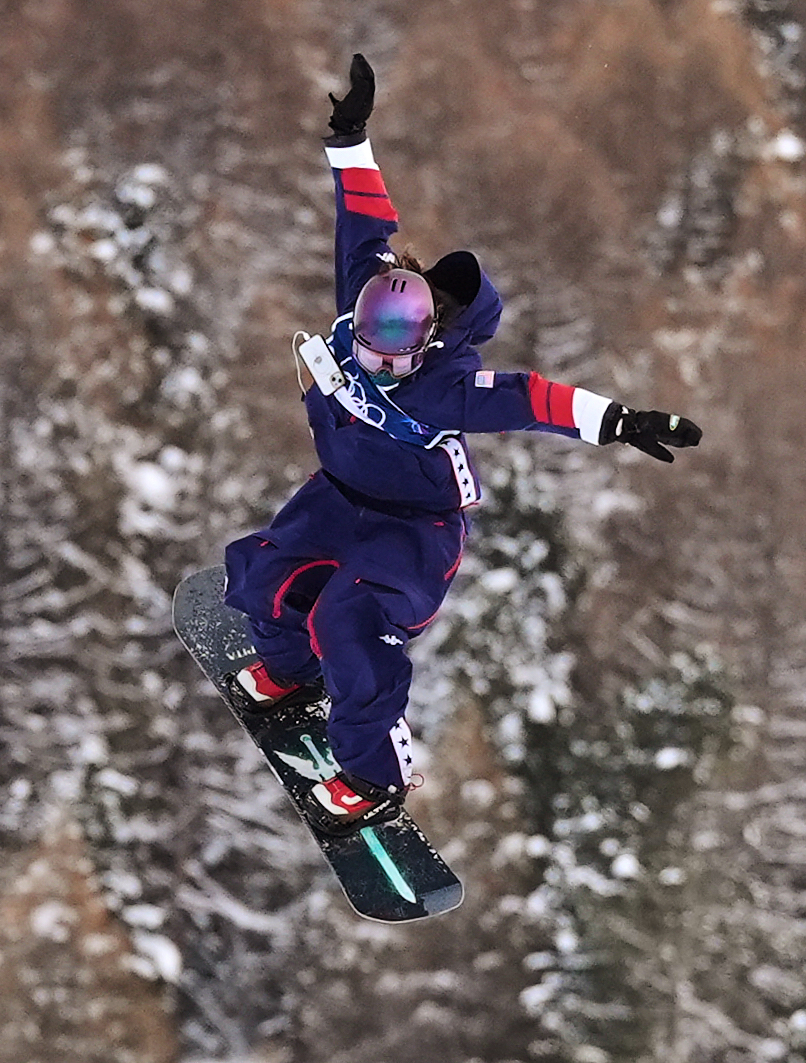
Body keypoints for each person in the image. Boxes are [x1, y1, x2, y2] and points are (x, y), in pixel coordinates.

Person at [223, 54, 702, 831]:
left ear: (428, 341)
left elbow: (528, 398)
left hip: (412, 533)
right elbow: (364, 216)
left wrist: (619, 419)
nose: (375, 360)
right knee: (268, 579)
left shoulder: (443, 382)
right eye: (368, 339)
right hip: (340, 497)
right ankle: (291, 672)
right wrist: (349, 137)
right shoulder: (359, 301)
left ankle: (376, 772)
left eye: (392, 351)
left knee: (350, 624)